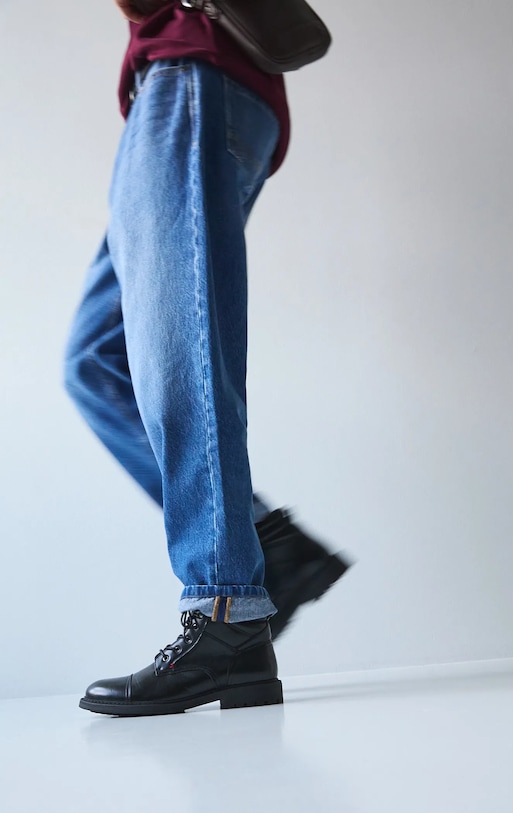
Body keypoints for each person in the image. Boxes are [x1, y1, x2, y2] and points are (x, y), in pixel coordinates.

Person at [64, 0, 349, 716]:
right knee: (95, 361)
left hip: (192, 73)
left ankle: (228, 613)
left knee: (179, 355)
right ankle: (266, 550)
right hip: (174, 89)